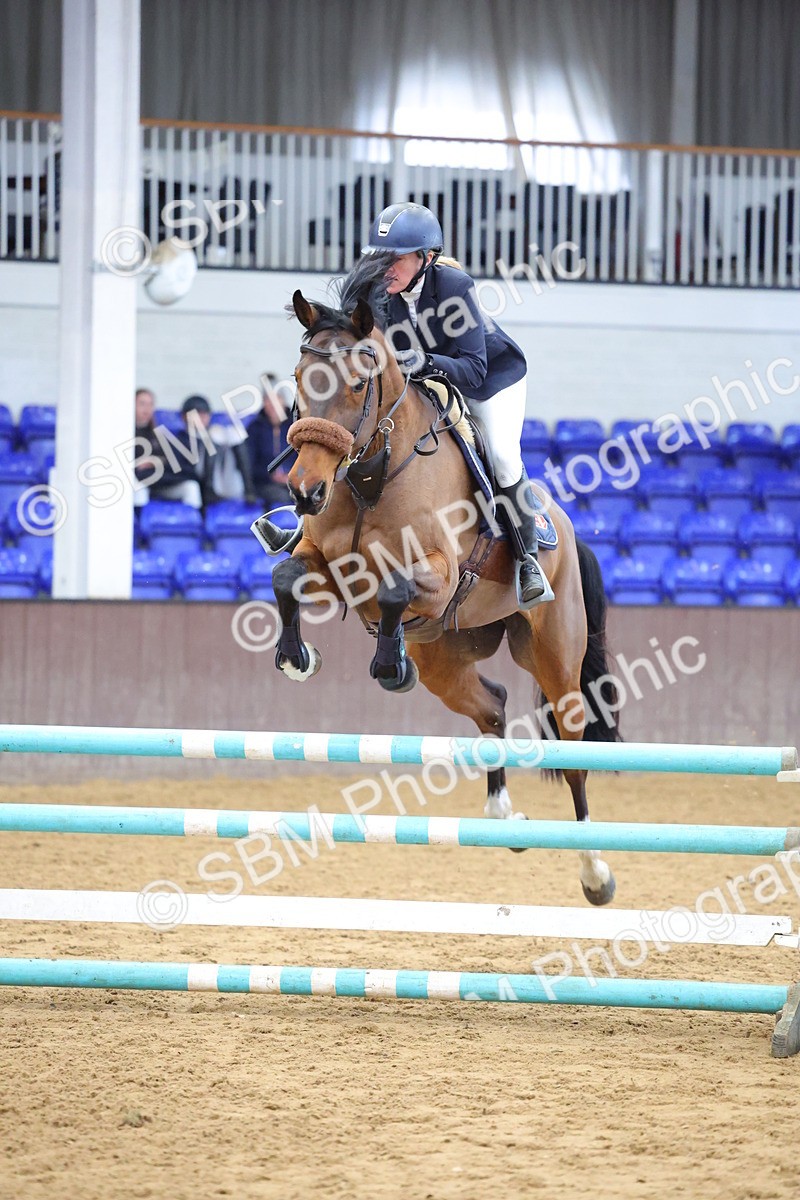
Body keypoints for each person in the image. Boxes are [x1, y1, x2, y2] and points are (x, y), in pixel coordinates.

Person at [366, 202, 550, 607]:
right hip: (430, 382)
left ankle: (528, 561)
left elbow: (473, 369)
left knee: (502, 456)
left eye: (396, 259)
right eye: (380, 258)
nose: (385, 269)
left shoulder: (454, 286)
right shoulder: (379, 291)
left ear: (426, 258)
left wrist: (424, 361)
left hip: (489, 381)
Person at [246, 374, 293, 509]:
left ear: (283, 401)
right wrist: (271, 475)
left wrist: (290, 476)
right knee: (282, 496)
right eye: (268, 400)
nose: (272, 404)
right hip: (265, 484)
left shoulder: (295, 425)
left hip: (295, 480)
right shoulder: (255, 428)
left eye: (276, 398)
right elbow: (249, 464)